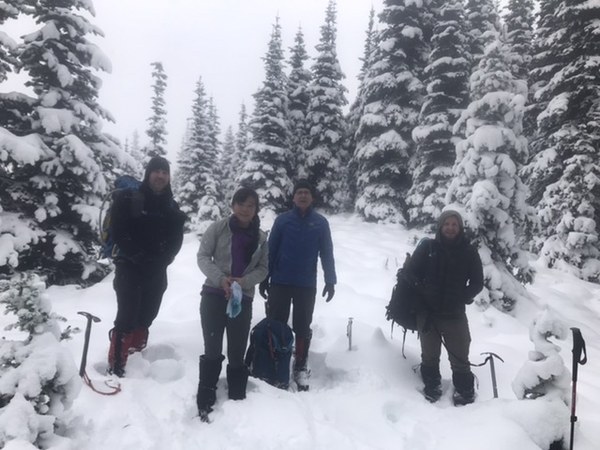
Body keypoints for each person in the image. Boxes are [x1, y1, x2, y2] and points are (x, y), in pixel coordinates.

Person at [108, 156, 186, 377]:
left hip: (157, 268)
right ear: (148, 173)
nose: (160, 176)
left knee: (148, 313)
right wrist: (137, 255)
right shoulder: (129, 198)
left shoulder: (171, 205)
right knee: (127, 314)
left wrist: (165, 259)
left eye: (165, 172)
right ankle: (117, 365)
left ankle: (135, 354)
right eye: (156, 171)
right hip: (129, 265)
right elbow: (118, 231)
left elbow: (176, 238)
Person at [196, 187, 268, 421]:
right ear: (233, 205)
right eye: (241, 204)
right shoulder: (218, 228)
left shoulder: (260, 237)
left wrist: (243, 282)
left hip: (242, 298)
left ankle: (237, 395)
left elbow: (263, 269)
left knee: (237, 351)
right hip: (213, 295)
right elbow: (203, 256)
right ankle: (206, 392)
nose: (245, 209)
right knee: (212, 348)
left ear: (256, 209)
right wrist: (220, 279)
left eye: (250, 205)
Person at [259, 179, 337, 391]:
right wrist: (265, 277)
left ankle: (300, 366)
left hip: (306, 284)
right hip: (280, 281)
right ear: (293, 197)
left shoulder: (321, 223)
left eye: (306, 192)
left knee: (302, 325)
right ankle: (276, 361)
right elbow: (271, 250)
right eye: (299, 192)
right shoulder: (283, 221)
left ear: (312, 197)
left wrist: (330, 280)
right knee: (277, 323)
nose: (303, 195)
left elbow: (327, 253)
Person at [405, 209, 484, 405]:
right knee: (429, 355)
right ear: (440, 226)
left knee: (460, 356)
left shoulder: (469, 251)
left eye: (454, 224)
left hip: (454, 314)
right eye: (446, 224)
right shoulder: (428, 247)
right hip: (427, 313)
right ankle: (432, 385)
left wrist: (461, 297)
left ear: (460, 228)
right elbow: (410, 273)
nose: (450, 228)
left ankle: (464, 390)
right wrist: (421, 290)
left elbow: (477, 282)